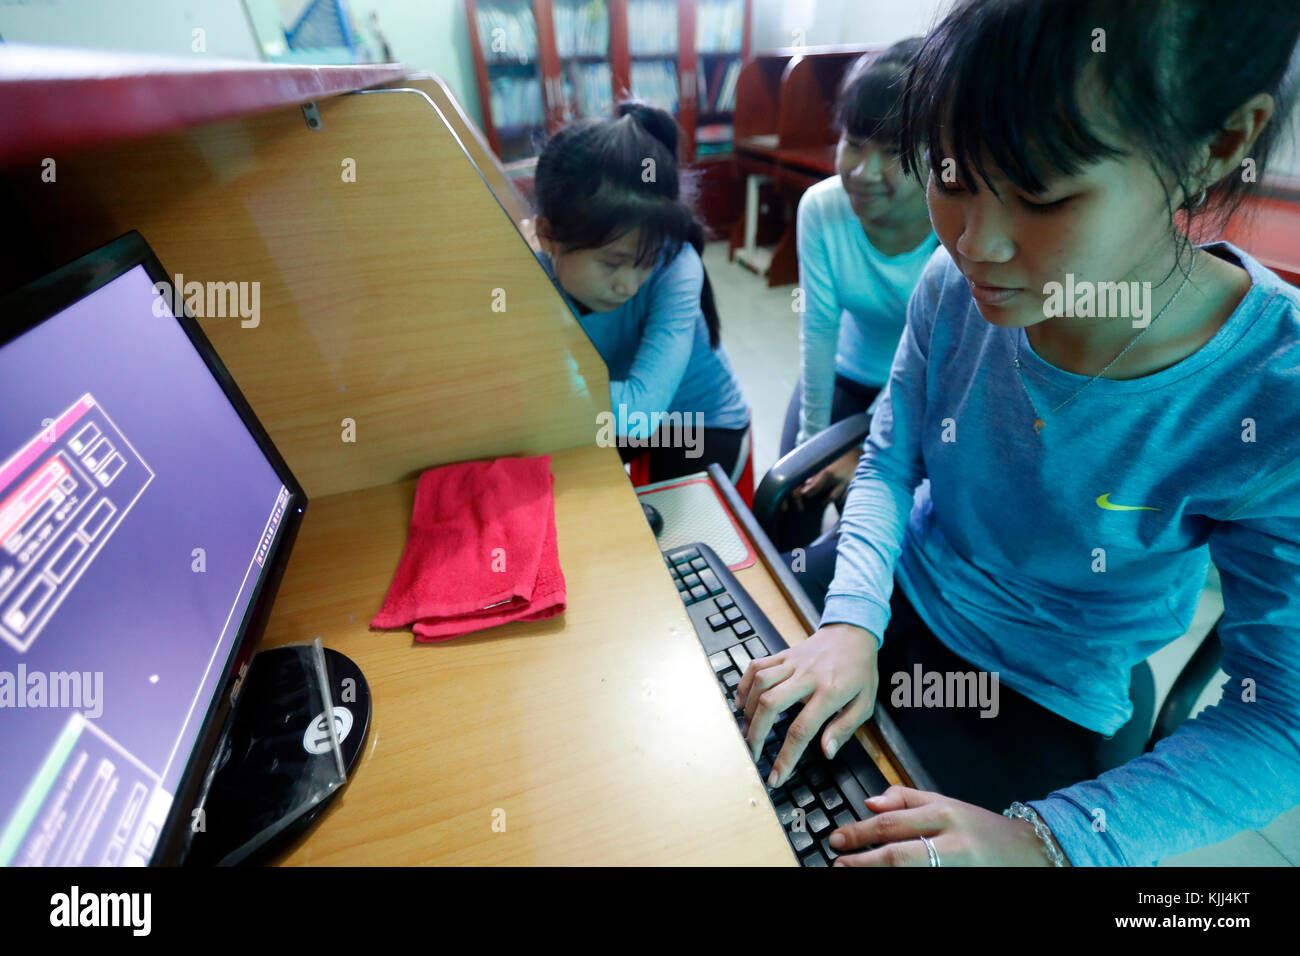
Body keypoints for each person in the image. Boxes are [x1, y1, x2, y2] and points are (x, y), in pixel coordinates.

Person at [738, 0, 1300, 866]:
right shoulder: (948, 283)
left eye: (1040, 197)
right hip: (898, 588)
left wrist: (1043, 842)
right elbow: (888, 459)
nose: (972, 243)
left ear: (1217, 148)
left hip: (1044, 681)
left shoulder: (1274, 387)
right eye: (954, 178)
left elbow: (1280, 720)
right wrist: (852, 622)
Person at [534, 102, 750, 483]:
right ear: (548, 236)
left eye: (644, 262)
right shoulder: (529, 268)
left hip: (697, 426)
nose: (628, 285)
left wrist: (548, 377)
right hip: (622, 412)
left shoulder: (677, 262)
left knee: (657, 536)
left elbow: (639, 418)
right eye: (611, 264)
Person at [781, 38, 937, 514]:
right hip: (848, 372)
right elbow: (819, 329)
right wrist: (812, 445)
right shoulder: (823, 209)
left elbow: (926, 351)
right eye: (854, 143)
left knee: (871, 505)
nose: (864, 172)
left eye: (891, 151)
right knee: (791, 492)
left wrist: (864, 442)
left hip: (926, 390)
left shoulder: (956, 228)